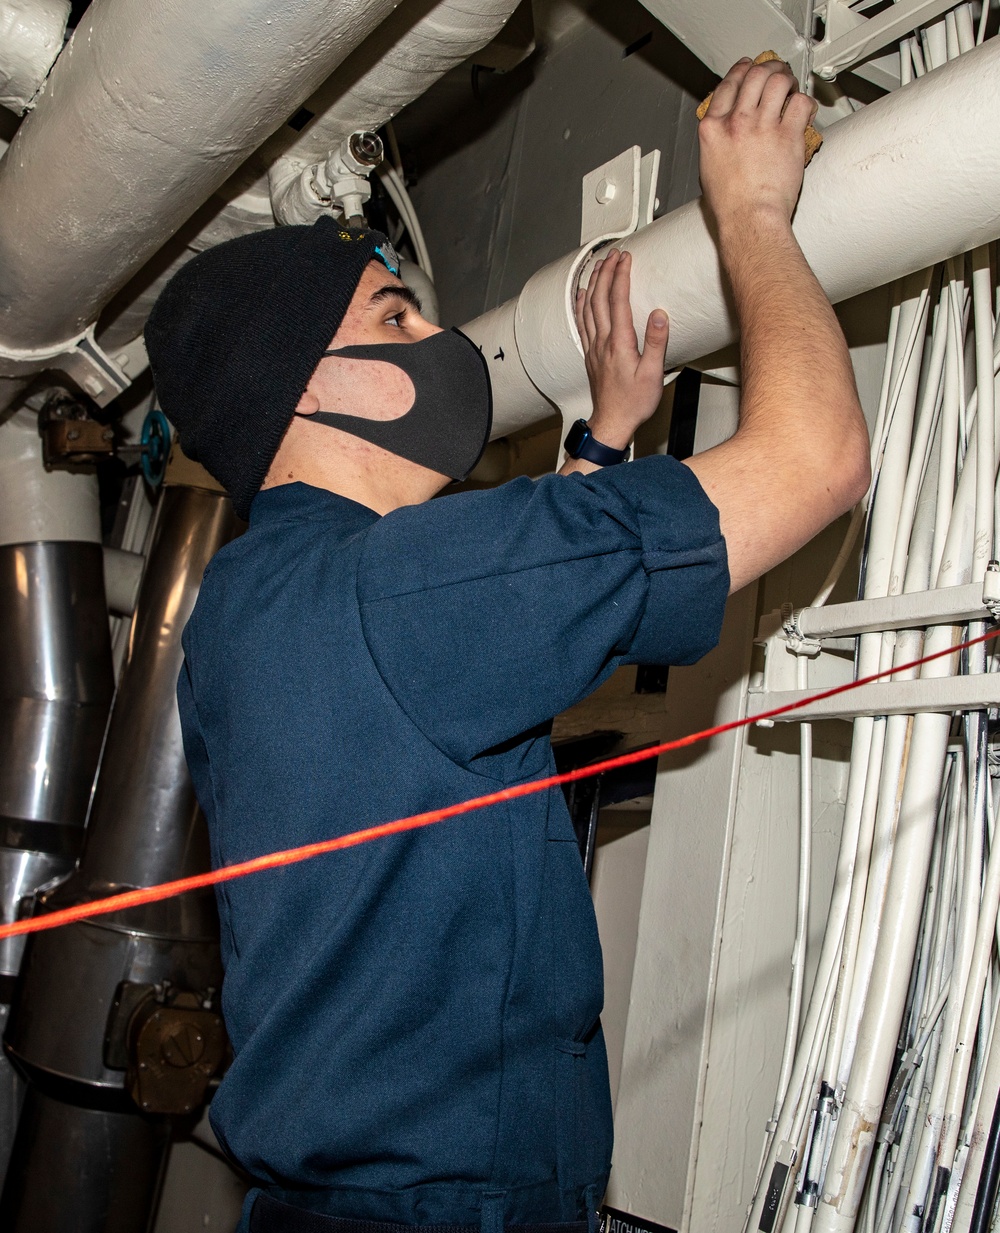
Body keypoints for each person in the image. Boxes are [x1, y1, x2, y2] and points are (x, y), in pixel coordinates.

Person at [144, 57, 869, 1233]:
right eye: (395, 314)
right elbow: (818, 458)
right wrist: (750, 212)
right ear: (304, 394)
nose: (440, 335)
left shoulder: (245, 607)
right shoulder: (403, 588)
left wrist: (605, 444)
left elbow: (454, 672)